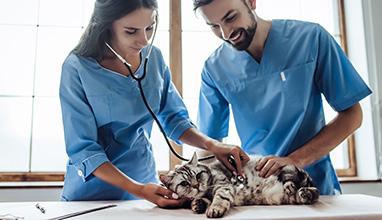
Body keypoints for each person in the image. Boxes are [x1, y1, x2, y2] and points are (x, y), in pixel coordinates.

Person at [59, 0, 249, 206]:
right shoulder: (77, 68)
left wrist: (213, 145)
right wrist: (137, 189)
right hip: (92, 193)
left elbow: (175, 120)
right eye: (131, 31)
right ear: (106, 24)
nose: (144, 40)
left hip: (145, 183)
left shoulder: (154, 59)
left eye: (149, 28)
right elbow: (84, 149)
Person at [193, 0, 372, 195]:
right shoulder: (214, 68)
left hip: (314, 186)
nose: (226, 33)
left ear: (251, 2)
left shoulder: (311, 39)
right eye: (214, 26)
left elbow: (352, 115)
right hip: (258, 189)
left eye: (231, 17)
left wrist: (295, 161)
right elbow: (210, 146)